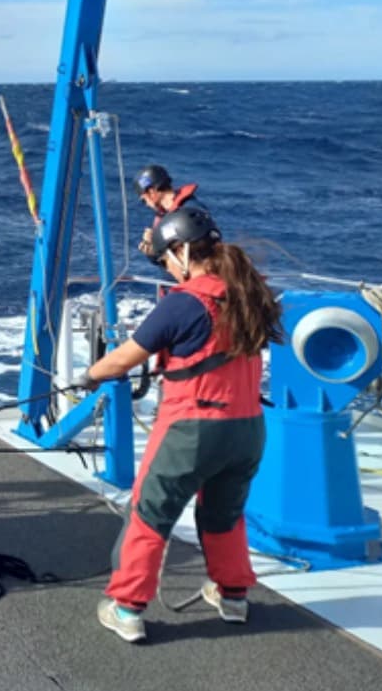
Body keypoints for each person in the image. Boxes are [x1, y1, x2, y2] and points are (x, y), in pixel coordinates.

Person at [84, 205, 282, 643]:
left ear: (182, 250)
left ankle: (126, 607)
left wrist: (91, 375)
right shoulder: (249, 293)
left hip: (193, 429)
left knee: (150, 515)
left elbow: (123, 358)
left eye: (165, 260)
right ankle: (232, 597)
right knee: (224, 515)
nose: (167, 270)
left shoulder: (184, 303)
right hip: (247, 428)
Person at [133, 164, 202, 263]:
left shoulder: (191, 210)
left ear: (152, 192)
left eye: (144, 200)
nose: (146, 205)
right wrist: (152, 249)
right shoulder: (163, 215)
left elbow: (199, 251)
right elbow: (161, 261)